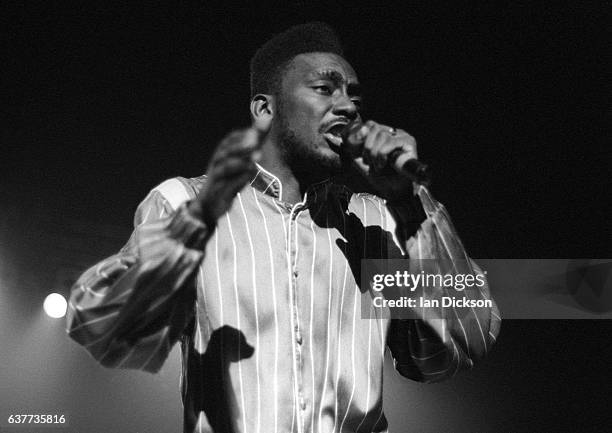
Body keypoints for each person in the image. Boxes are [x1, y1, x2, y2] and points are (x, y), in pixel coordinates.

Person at [66, 22, 501, 433]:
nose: (348, 106)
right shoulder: (186, 202)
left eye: (353, 96)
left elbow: (459, 348)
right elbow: (104, 329)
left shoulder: (377, 220)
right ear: (264, 109)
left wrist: (409, 203)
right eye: (325, 88)